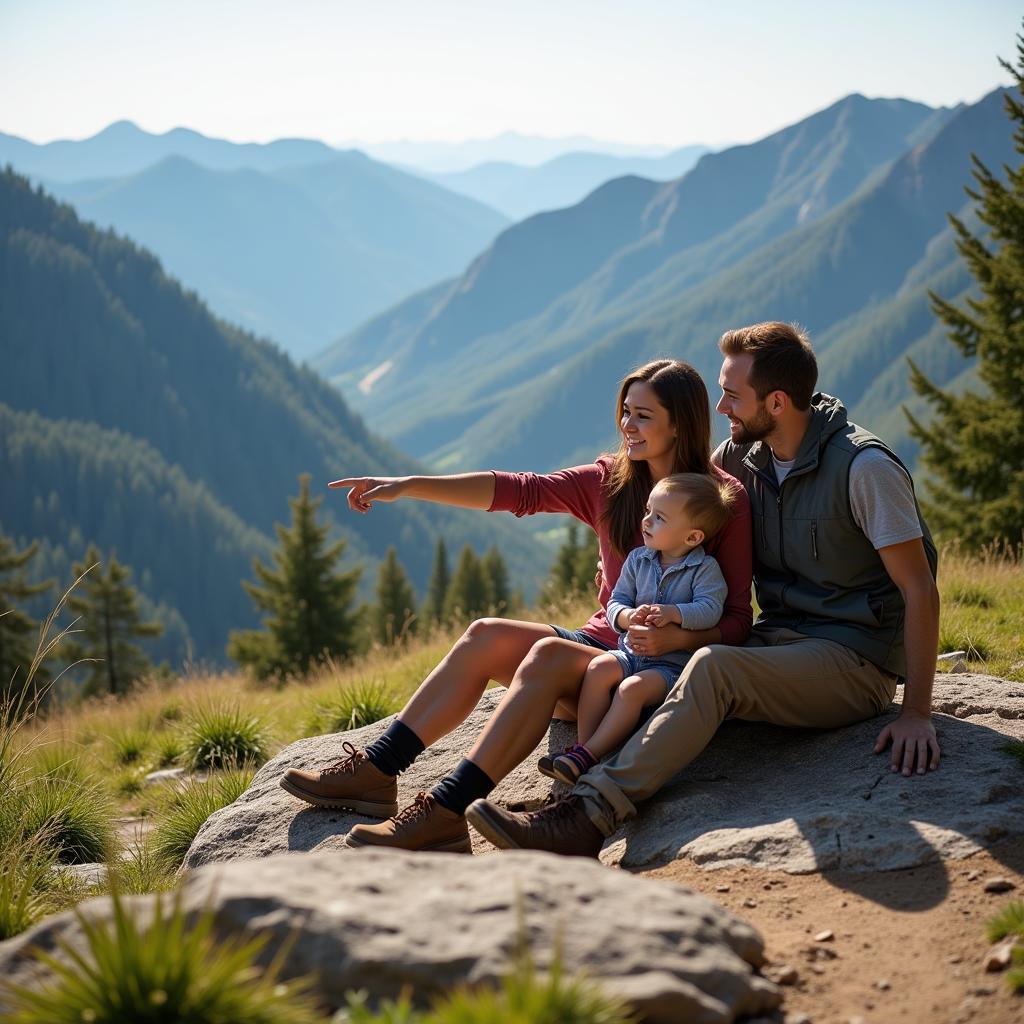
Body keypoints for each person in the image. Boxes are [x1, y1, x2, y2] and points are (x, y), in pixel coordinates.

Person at [464, 321, 941, 858]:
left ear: (778, 401)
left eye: (732, 396)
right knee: (673, 670)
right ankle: (563, 783)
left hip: (854, 658)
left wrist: (916, 713)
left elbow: (919, 591)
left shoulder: (865, 470)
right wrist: (627, 575)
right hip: (775, 641)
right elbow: (682, 511)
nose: (720, 409)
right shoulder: (745, 460)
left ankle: (585, 816)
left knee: (711, 665)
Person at [279, 359, 753, 854]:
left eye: (643, 416)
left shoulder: (722, 500)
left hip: (651, 677)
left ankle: (446, 811)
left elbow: (740, 621)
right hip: (596, 654)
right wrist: (409, 485)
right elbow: (519, 490)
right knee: (485, 633)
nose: (626, 426)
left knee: (547, 654)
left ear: (680, 423)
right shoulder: (608, 481)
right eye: (625, 412)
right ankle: (377, 771)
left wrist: (678, 636)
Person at [539, 472, 736, 785]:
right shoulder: (637, 560)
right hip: (629, 653)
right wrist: (628, 617)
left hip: (671, 666)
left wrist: (674, 613)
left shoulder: (704, 569)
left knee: (631, 690)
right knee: (599, 666)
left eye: (659, 518)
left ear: (692, 537)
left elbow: (711, 610)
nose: (646, 521)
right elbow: (616, 601)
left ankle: (588, 755)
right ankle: (584, 749)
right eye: (648, 512)